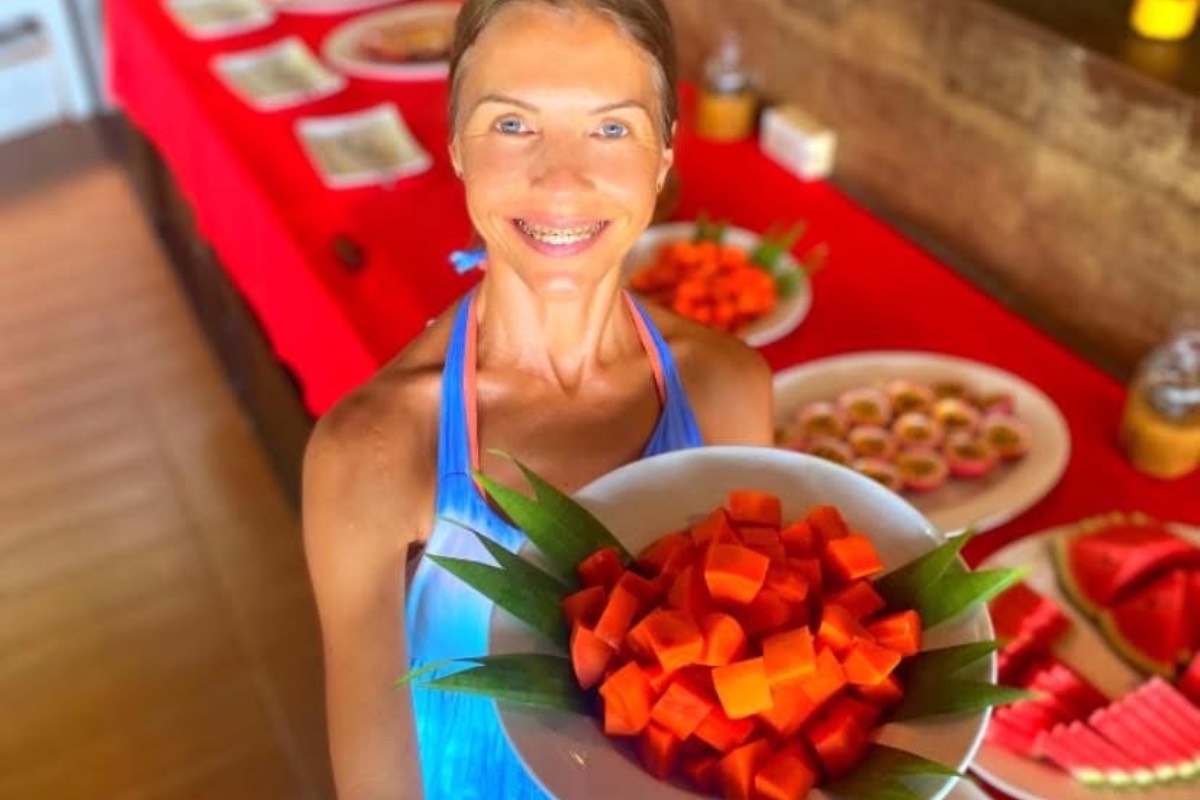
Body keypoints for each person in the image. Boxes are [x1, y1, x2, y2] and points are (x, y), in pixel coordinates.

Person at [302, 1, 774, 798]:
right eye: (514, 125)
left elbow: (752, 701)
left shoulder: (727, 388)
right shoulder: (374, 452)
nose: (562, 180)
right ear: (457, 144)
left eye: (612, 128)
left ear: (664, 154)